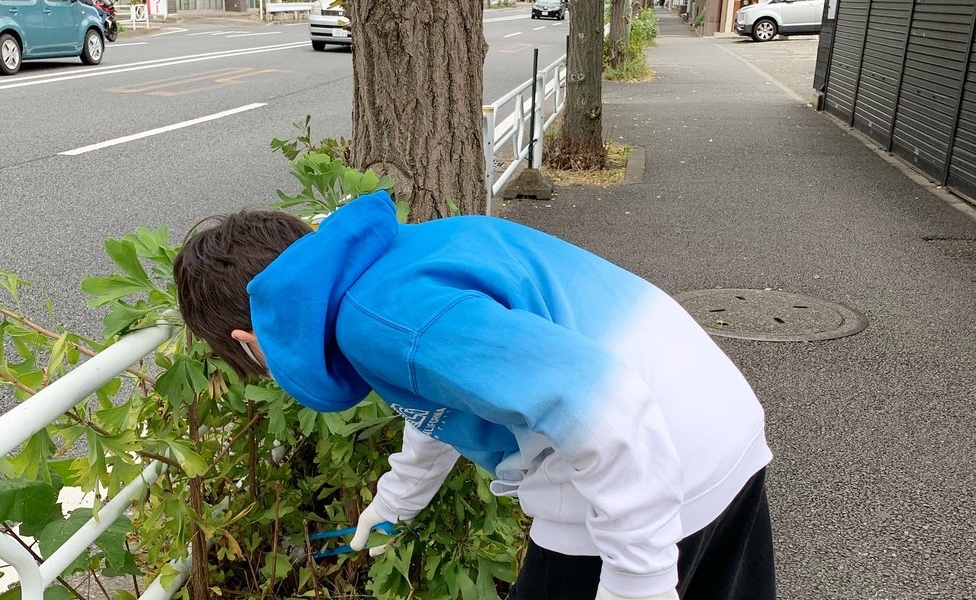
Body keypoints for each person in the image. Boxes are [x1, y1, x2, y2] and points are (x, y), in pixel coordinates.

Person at [173, 190, 775, 600]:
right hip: (717, 426)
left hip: (642, 468)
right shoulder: (395, 262)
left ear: (250, 342)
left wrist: (638, 584)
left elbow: (606, 405)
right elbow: (443, 398)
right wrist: (396, 502)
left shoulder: (375, 322)